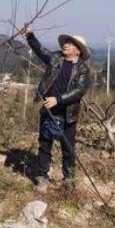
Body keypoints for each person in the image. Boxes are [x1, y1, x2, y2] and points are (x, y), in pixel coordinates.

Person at [24, 29, 91, 192]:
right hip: (49, 109)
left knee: (68, 148)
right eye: (65, 43)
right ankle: (42, 177)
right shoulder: (56, 59)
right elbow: (40, 51)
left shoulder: (83, 69)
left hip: (68, 113)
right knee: (44, 144)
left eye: (70, 43)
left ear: (78, 50)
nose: (65, 45)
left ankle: (69, 181)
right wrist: (30, 36)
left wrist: (58, 99)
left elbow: (79, 90)